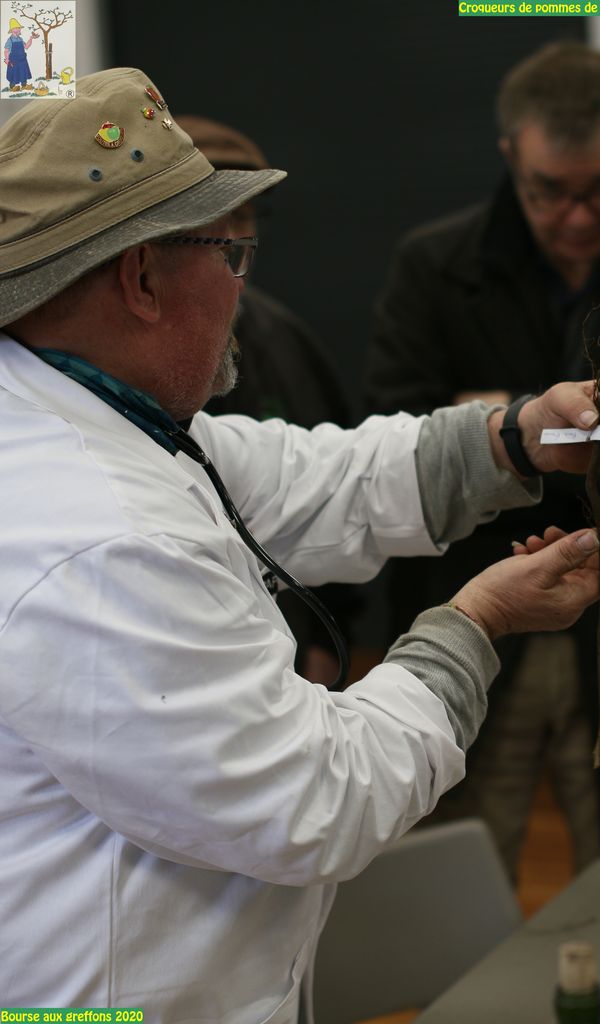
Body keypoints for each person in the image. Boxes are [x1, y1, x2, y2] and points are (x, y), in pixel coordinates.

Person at [0, 67, 600, 1018]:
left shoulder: (105, 422)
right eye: (227, 254)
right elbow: (320, 802)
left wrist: (516, 437)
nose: (240, 287)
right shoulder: (98, 537)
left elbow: (318, 476)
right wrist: (475, 621)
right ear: (142, 278)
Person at [366, 40, 600, 878]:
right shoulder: (434, 266)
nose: (577, 217)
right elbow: (397, 441)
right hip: (472, 596)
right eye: (550, 191)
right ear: (511, 156)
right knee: (456, 875)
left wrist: (496, 418)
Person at [174, 114, 361, 687]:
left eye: (245, 216)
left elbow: (336, 474)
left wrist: (331, 636)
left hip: (293, 646)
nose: (232, 239)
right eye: (213, 218)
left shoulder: (284, 337)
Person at [3, 16, 36, 92]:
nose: (19, 29)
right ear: (12, 30)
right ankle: (12, 87)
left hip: (22, 60)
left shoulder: (20, 39)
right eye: (17, 28)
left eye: (19, 28)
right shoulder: (10, 40)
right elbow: (6, 50)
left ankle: (24, 85)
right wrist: (7, 59)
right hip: (14, 61)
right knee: (14, 73)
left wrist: (31, 38)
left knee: (23, 72)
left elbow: (26, 46)